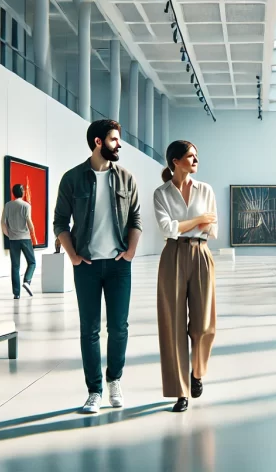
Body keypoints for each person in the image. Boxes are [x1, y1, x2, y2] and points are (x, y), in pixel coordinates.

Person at [54, 119, 142, 415]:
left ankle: (114, 379)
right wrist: (73, 256)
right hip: (87, 266)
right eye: (115, 139)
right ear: (98, 142)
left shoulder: (126, 178)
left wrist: (130, 252)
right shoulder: (72, 179)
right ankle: (94, 391)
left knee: (119, 328)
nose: (120, 144)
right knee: (89, 330)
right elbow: (59, 222)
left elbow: (136, 219)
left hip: (119, 266)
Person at [153, 140, 218, 413]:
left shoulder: (206, 189)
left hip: (201, 254)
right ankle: (181, 392)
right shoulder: (162, 193)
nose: (195, 160)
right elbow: (167, 229)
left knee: (204, 325)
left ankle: (197, 372)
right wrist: (196, 220)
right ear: (175, 161)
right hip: (173, 256)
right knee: (173, 326)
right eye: (190, 156)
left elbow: (211, 227)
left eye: (196, 155)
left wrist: (190, 224)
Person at [2, 184, 37, 299]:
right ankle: (27, 280)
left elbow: (3, 223)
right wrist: (33, 233)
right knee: (32, 262)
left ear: (13, 193)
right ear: (22, 192)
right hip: (25, 238)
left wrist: (9, 234)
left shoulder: (7, 205)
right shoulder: (26, 205)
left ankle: (16, 294)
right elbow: (29, 222)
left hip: (13, 240)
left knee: (15, 266)